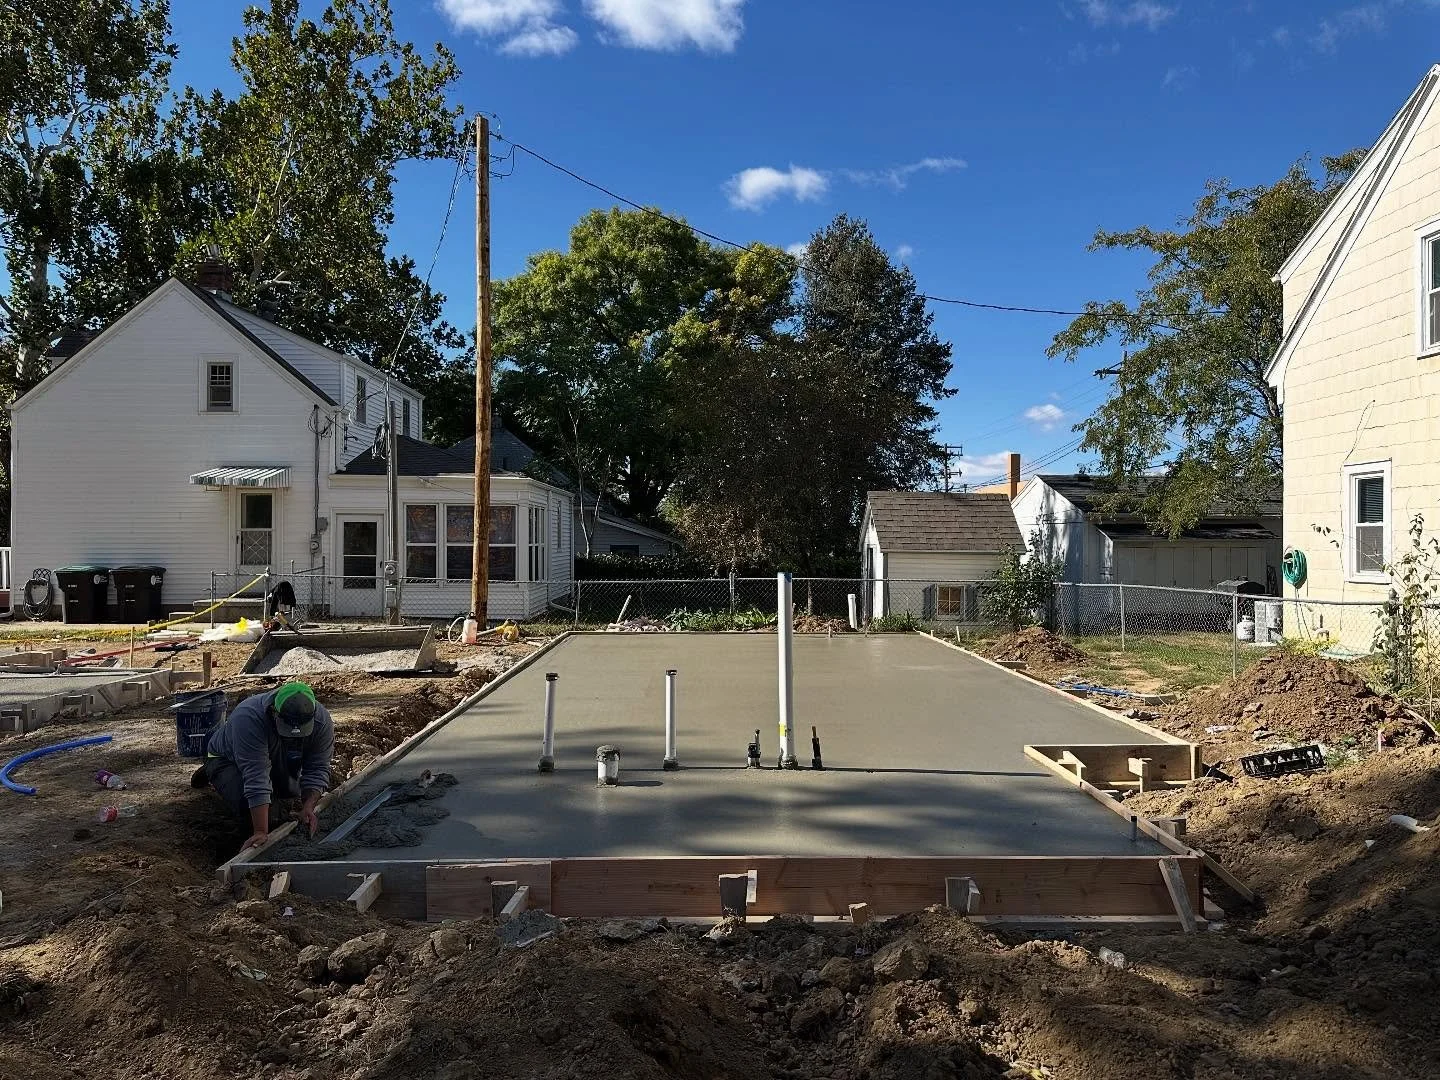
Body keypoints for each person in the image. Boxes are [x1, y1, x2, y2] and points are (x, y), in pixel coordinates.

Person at [201, 681, 334, 850]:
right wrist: (260, 831)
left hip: (271, 755)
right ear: (273, 712)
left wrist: (308, 807)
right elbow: (255, 776)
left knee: (290, 793)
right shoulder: (248, 717)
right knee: (264, 814)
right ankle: (213, 771)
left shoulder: (322, 721)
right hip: (225, 759)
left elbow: (318, 767)